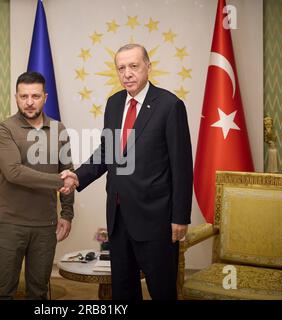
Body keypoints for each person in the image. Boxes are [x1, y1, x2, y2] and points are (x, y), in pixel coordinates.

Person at [62, 44, 193, 300]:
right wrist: (78, 176)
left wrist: (180, 217)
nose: (127, 73)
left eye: (133, 66)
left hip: (157, 220)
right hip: (119, 216)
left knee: (162, 291)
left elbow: (182, 166)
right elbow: (106, 151)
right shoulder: (114, 104)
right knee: (123, 291)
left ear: (148, 67)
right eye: (121, 68)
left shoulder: (169, 105)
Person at [0, 71, 78, 300]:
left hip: (45, 226)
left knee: (39, 293)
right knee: (3, 292)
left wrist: (67, 213)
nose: (29, 102)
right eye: (24, 96)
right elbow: (14, 172)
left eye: (35, 96)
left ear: (45, 97)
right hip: (10, 225)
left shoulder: (59, 130)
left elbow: (67, 169)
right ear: (16, 97)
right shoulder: (4, 129)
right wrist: (61, 179)